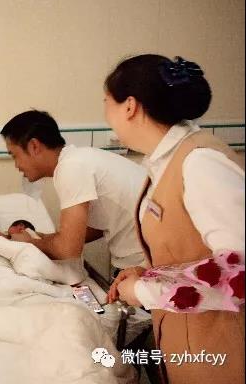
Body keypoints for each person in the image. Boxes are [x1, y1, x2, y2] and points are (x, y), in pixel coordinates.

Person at [104, 54, 244, 383]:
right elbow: (191, 247)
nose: (106, 114)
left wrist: (143, 290)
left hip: (223, 348)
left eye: (106, 103)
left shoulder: (200, 163)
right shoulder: (164, 162)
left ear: (129, 106)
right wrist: (151, 270)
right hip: (188, 341)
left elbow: (239, 271)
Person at [1, 110, 147, 271]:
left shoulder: (71, 168)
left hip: (144, 263)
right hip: (147, 256)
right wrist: (44, 238)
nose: (17, 165)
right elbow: (95, 227)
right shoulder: (80, 158)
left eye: (14, 156)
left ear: (34, 146)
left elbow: (68, 251)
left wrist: (30, 243)